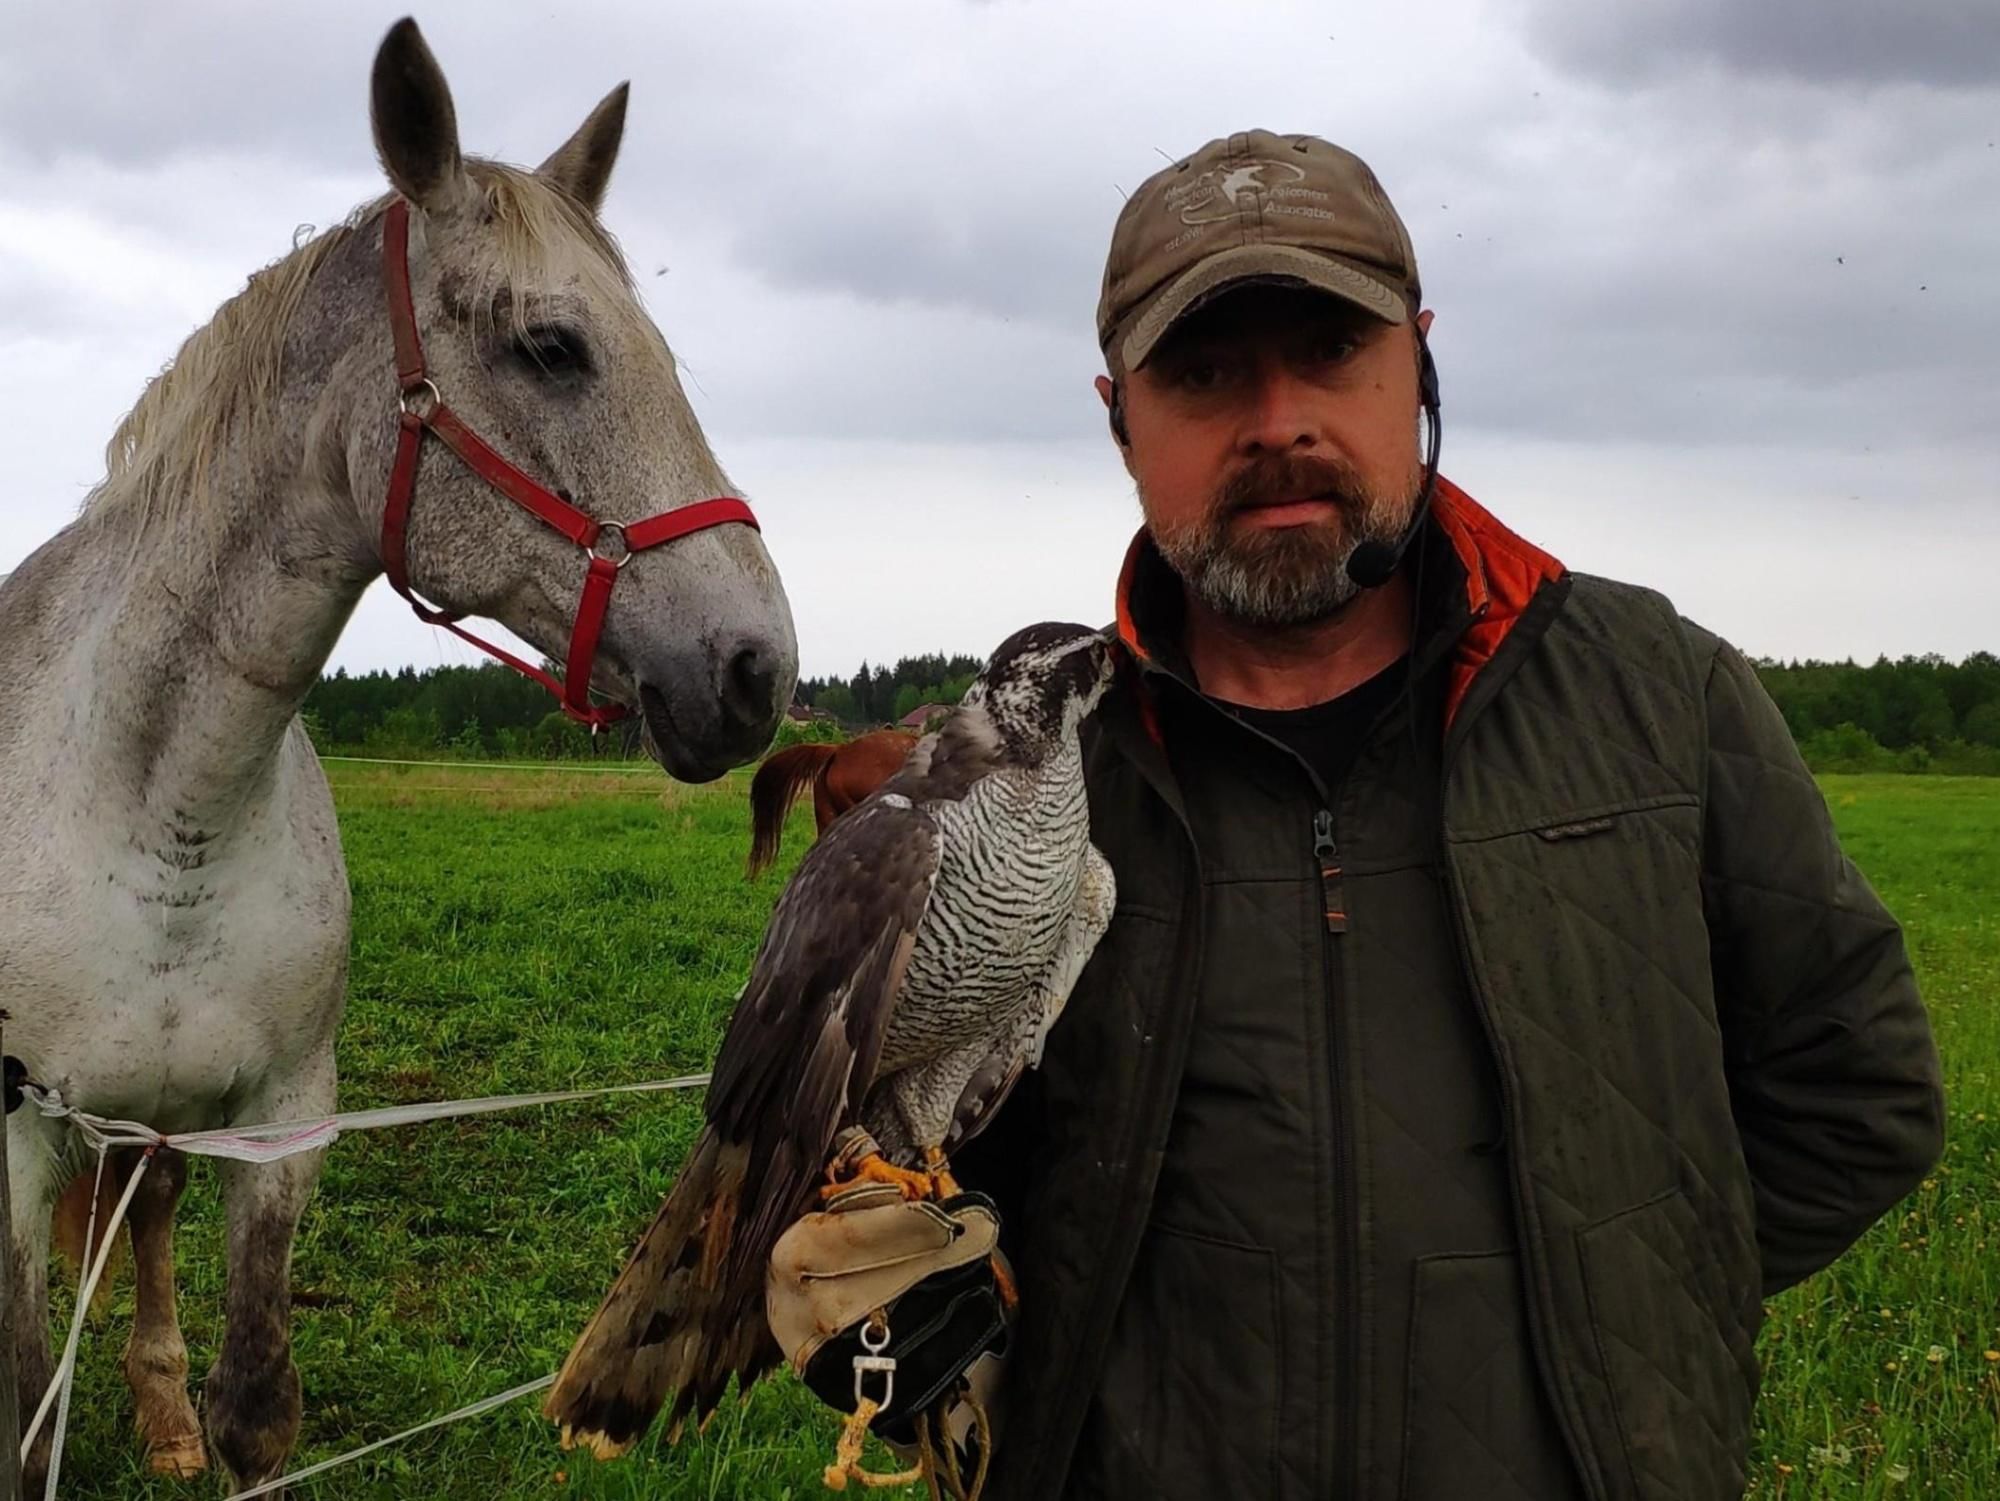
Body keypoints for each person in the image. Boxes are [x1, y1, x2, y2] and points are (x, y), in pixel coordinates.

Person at [781, 130, 1946, 1501]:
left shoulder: (1660, 698)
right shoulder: (1013, 792)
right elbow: (938, 1152)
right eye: (1205, 372)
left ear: (1419, 359)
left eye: (1331, 348)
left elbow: (1856, 1089)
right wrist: (909, 1264)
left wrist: (1636, 1309)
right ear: (1117, 417)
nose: (1277, 419)